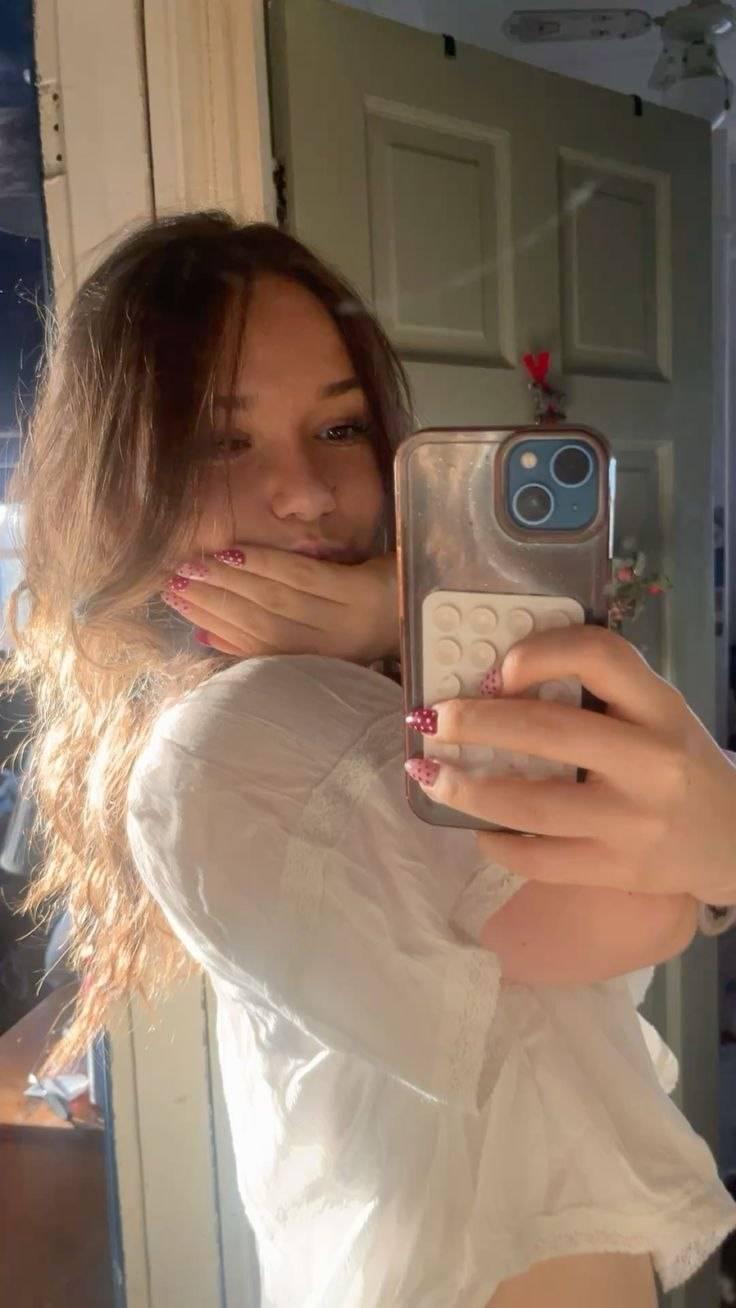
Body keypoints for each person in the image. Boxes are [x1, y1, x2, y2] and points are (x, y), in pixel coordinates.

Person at [9, 211, 736, 1308]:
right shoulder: (238, 726)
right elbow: (628, 913)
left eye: (341, 429)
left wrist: (399, 614)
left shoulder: (349, 698)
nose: (305, 491)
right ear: (122, 487)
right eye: (221, 442)